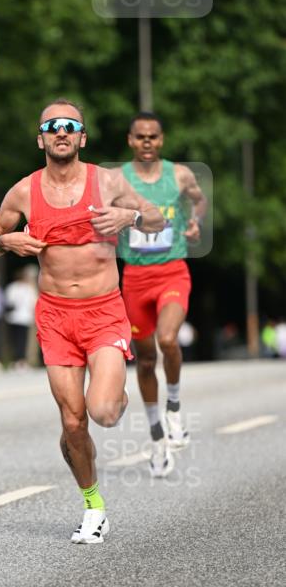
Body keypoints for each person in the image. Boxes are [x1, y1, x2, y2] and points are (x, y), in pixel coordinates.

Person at [0, 98, 164, 544]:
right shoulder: (24, 191)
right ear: (41, 138)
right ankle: (94, 507)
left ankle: (113, 388)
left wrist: (132, 215)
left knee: (101, 411)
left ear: (81, 137)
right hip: (55, 317)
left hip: (103, 312)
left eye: (70, 126)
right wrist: (8, 242)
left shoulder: (108, 181)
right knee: (72, 423)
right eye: (52, 126)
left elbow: (157, 219)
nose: (61, 133)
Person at [118, 112, 207, 477]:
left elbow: (199, 200)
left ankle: (173, 406)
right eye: (141, 137)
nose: (147, 142)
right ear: (130, 140)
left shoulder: (180, 174)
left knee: (168, 339)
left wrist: (194, 220)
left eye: (153, 136)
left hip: (172, 271)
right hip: (135, 278)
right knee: (144, 360)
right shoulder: (117, 178)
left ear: (162, 139)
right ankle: (156, 435)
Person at [4, 266, 39, 368]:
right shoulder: (13, 287)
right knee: (15, 340)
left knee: (22, 340)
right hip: (14, 318)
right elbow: (9, 302)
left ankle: (21, 360)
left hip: (24, 318)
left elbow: (33, 303)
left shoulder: (28, 288)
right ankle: (16, 359)